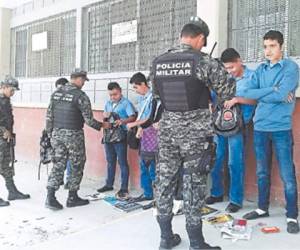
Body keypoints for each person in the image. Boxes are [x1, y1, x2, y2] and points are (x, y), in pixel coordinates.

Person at [151, 16, 235, 250]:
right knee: (194, 184)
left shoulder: (158, 61)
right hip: (195, 134)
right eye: (203, 42)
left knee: (165, 182)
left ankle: (166, 238)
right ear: (199, 38)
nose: (203, 46)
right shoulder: (202, 61)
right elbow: (228, 90)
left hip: (167, 132)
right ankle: (196, 243)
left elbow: (157, 95)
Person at [238, 30, 299, 234]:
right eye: (265, 46)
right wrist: (272, 90)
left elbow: (283, 94)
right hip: (261, 127)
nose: (268, 51)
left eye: (272, 46)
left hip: (281, 128)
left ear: (281, 46)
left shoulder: (291, 67)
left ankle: (292, 215)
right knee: (262, 171)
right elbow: (246, 92)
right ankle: (262, 208)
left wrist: (272, 93)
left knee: (287, 174)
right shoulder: (261, 69)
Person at [45, 69, 108, 210]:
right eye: (84, 80)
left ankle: (50, 197)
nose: (84, 83)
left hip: (56, 134)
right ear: (78, 79)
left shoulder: (56, 93)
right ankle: (72, 197)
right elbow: (89, 121)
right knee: (77, 164)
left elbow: (49, 117)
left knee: (58, 164)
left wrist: (49, 135)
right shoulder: (80, 96)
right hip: (73, 135)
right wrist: (104, 125)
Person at [205, 48, 256, 213]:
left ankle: (235, 199)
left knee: (234, 163)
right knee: (217, 160)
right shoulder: (222, 77)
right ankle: (217, 193)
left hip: (239, 127)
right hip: (220, 124)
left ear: (239, 61)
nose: (229, 71)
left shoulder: (252, 77)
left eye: (232, 67)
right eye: (226, 68)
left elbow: (258, 99)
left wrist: (237, 100)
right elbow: (213, 96)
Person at [97, 82, 136, 199]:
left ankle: (124, 187)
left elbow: (133, 117)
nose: (113, 97)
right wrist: (105, 115)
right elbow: (105, 118)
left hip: (120, 136)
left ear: (120, 91)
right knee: (110, 161)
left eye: (115, 94)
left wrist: (122, 121)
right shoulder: (108, 103)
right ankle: (109, 184)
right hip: (108, 136)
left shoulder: (126, 103)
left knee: (122, 162)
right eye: (111, 95)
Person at [127, 72, 158, 202]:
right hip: (144, 135)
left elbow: (149, 118)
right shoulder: (143, 98)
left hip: (152, 135)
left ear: (143, 84)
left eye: (136, 87)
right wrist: (139, 128)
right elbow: (142, 116)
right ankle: (147, 192)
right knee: (143, 165)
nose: (135, 90)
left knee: (152, 166)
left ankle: (158, 195)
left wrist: (135, 124)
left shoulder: (153, 98)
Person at [0, 75, 30, 207]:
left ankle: (12, 192)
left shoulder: (5, 100)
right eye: (11, 90)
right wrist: (3, 131)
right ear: (4, 87)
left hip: (5, 140)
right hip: (2, 137)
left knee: (6, 166)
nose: (13, 93)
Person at [54, 77, 72, 188]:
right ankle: (58, 179)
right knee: (59, 157)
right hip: (58, 133)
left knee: (71, 157)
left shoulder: (72, 97)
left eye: (61, 88)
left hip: (70, 133)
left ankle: (69, 180)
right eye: (57, 88)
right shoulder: (55, 98)